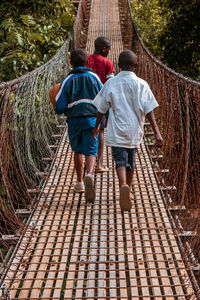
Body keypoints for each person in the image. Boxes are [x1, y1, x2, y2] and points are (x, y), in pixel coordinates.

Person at [92, 50, 163, 210]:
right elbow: (149, 110)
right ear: (136, 65)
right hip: (135, 130)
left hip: (117, 130)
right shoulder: (142, 84)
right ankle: (129, 190)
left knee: (120, 161)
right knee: (131, 162)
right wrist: (157, 132)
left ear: (118, 66)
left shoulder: (111, 83)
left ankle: (123, 185)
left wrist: (96, 127)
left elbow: (101, 109)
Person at [53, 49, 103, 202]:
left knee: (77, 151)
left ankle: (80, 182)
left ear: (70, 63)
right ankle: (90, 175)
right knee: (91, 151)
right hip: (92, 119)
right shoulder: (94, 77)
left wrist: (59, 108)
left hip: (74, 121)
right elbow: (103, 96)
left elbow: (60, 105)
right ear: (87, 62)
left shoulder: (67, 80)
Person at [87, 36, 115, 173]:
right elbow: (111, 84)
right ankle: (99, 163)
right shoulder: (108, 63)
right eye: (109, 48)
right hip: (101, 102)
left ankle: (87, 164)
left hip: (85, 101)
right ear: (104, 49)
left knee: (88, 130)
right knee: (101, 130)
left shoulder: (85, 60)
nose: (109, 51)